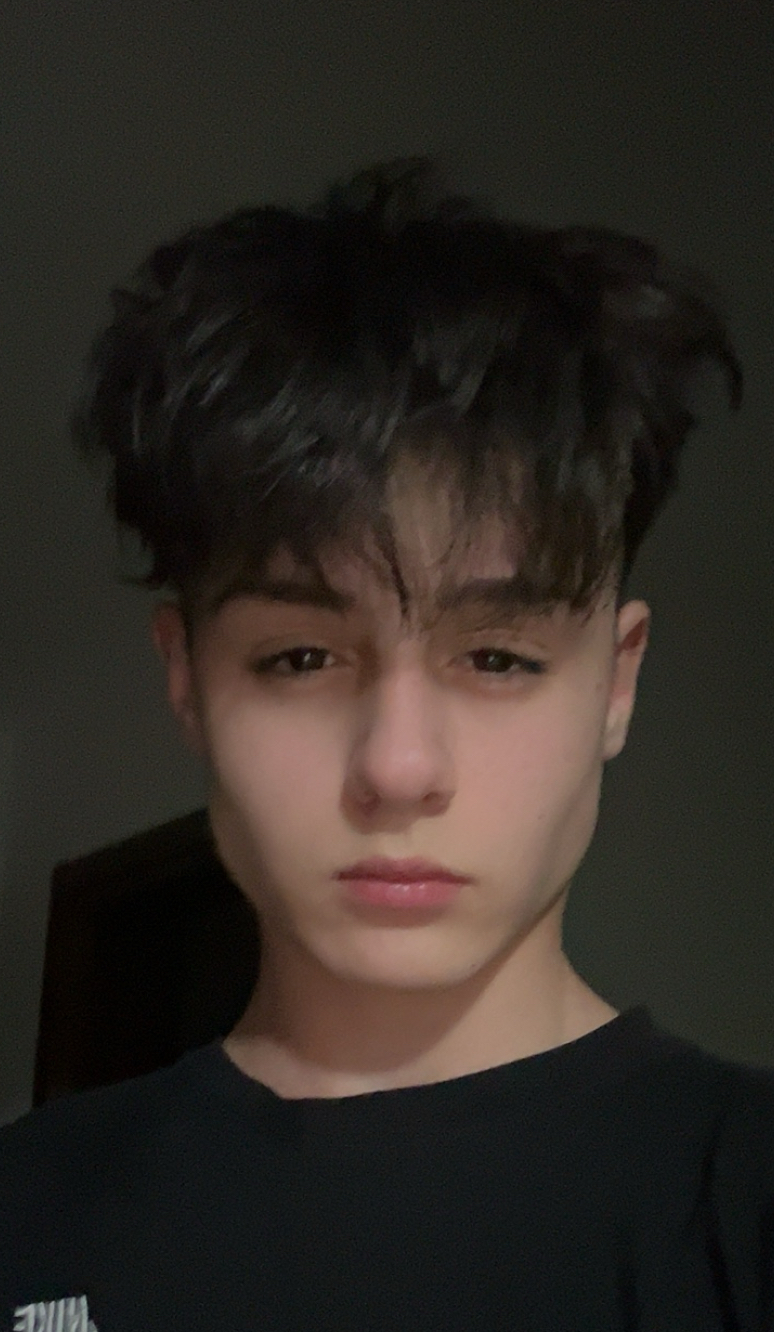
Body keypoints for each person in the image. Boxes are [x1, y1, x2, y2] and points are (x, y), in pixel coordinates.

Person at [1, 158, 771, 1332]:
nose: (400, 768)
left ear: (616, 682)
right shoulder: (27, 1210)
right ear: (186, 677)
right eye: (301, 658)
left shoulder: (742, 1204)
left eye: (497, 658)